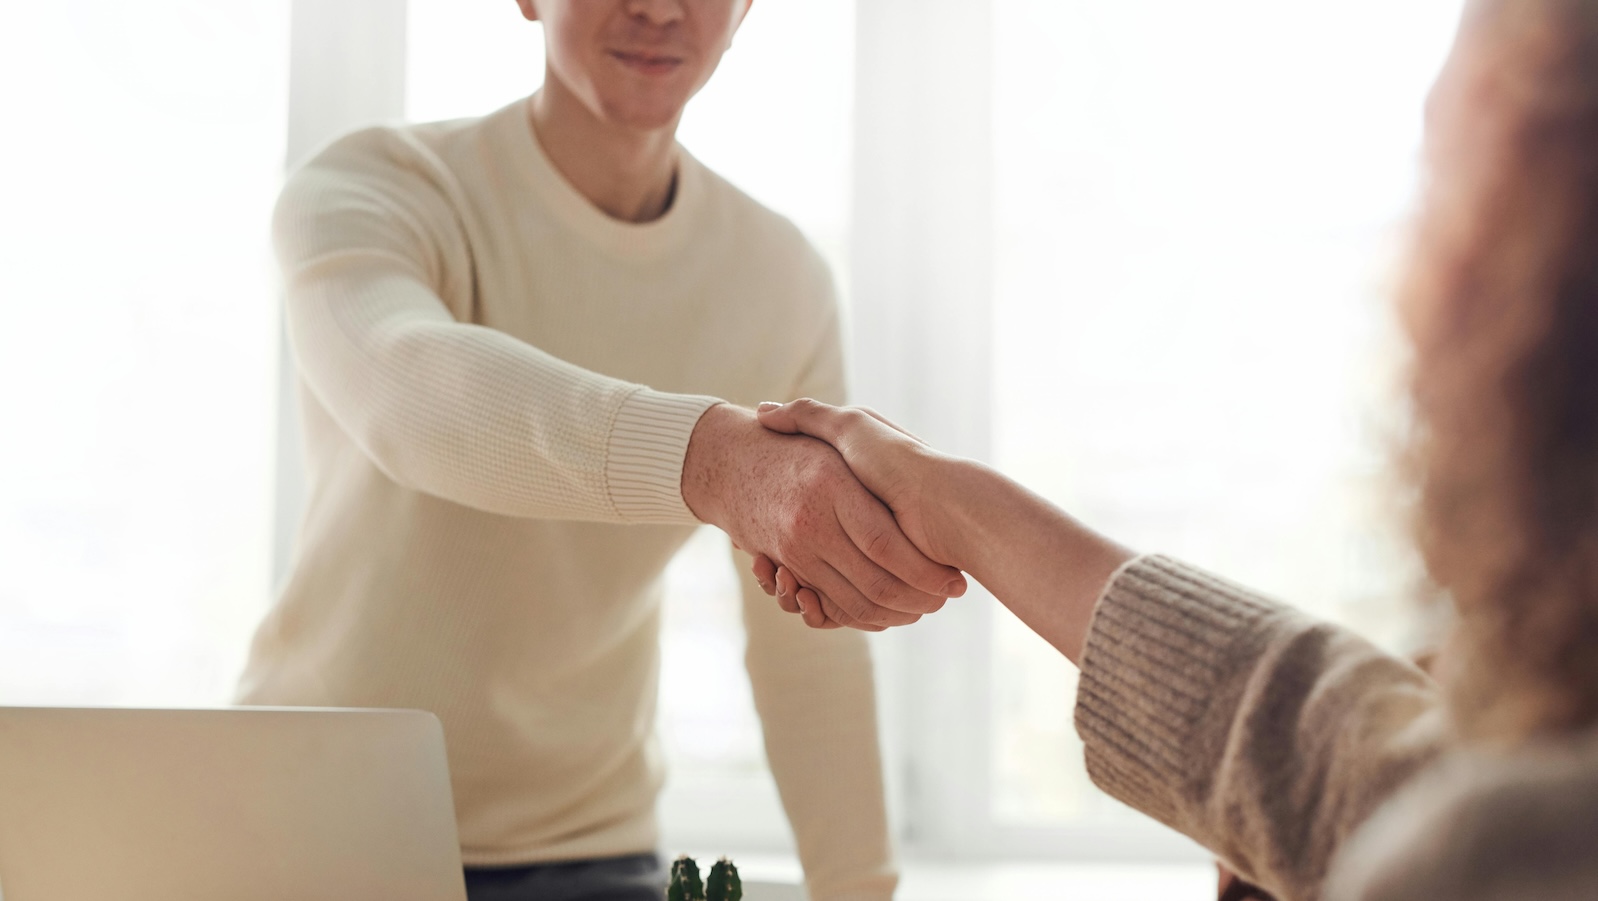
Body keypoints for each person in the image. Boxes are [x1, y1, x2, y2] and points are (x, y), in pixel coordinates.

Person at [750, 0, 1598, 897]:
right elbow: (1350, 764)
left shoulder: (1496, 852)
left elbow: (1383, 795)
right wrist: (959, 509)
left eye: (1439, 188)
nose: (1403, 280)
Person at [236, 1, 965, 899]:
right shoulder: (375, 186)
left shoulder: (780, 281)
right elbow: (408, 389)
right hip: (305, 823)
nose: (659, 7)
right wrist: (711, 462)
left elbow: (806, 645)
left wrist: (861, 888)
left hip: (589, 850)